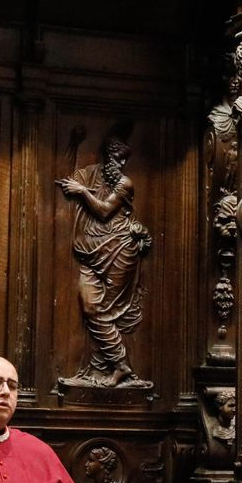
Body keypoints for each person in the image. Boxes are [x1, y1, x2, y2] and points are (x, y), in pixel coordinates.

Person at [58, 137, 152, 388]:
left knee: (104, 311)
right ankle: (109, 365)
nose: (121, 164)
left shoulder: (125, 183)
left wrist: (82, 192)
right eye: (118, 158)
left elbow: (103, 211)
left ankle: (119, 366)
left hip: (119, 251)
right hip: (92, 253)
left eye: (125, 159)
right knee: (89, 306)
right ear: (107, 156)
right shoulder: (93, 175)